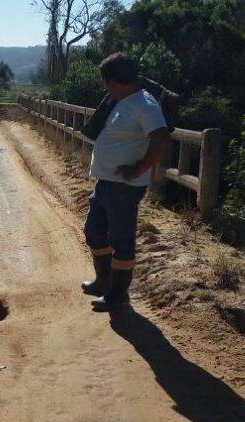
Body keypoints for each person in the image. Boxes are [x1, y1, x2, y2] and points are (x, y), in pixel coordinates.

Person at [81, 53, 171, 312]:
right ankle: (104, 281)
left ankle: (118, 295)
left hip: (124, 187)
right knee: (94, 232)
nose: (106, 88)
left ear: (115, 81)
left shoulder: (144, 104)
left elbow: (161, 138)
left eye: (106, 83)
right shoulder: (124, 101)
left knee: (121, 240)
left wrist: (139, 169)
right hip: (106, 182)